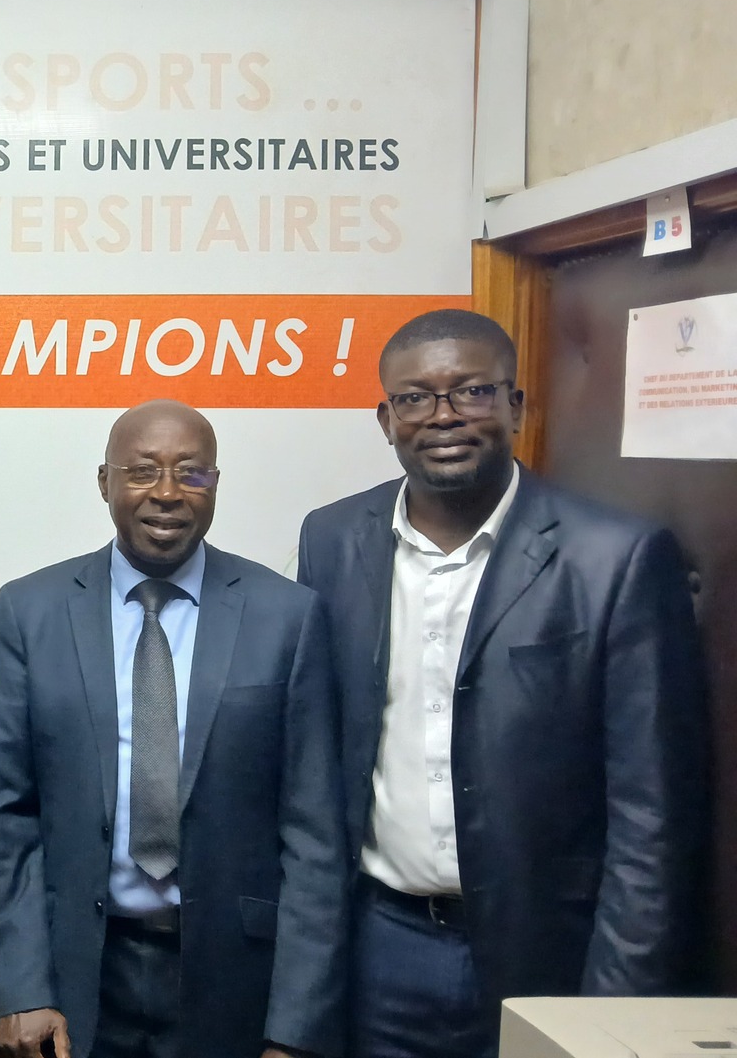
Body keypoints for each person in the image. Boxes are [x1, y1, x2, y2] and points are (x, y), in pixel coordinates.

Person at [295, 309, 709, 1058]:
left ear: (516, 406)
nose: (444, 415)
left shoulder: (614, 558)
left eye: (473, 391)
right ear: (386, 420)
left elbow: (653, 817)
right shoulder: (331, 539)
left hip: (547, 952)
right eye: (415, 398)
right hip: (378, 948)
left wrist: (614, 1015)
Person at [0, 401, 347, 1058]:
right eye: (143, 471)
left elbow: (314, 833)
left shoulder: (287, 616)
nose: (169, 492)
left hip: (235, 976)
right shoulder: (30, 611)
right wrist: (22, 987)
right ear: (105, 482)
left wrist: (295, 1028)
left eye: (192, 473)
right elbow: (9, 814)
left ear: (215, 484)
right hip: (77, 972)